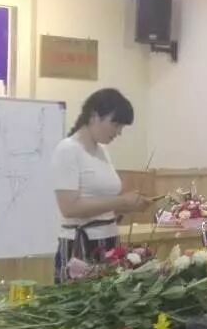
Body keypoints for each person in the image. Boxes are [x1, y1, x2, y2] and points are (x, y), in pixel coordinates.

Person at [51, 88, 152, 281]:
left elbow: (104, 205)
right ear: (94, 116)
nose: (119, 132)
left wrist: (131, 205)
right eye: (116, 124)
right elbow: (69, 208)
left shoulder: (102, 151)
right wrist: (122, 202)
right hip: (81, 245)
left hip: (108, 240)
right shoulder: (67, 150)